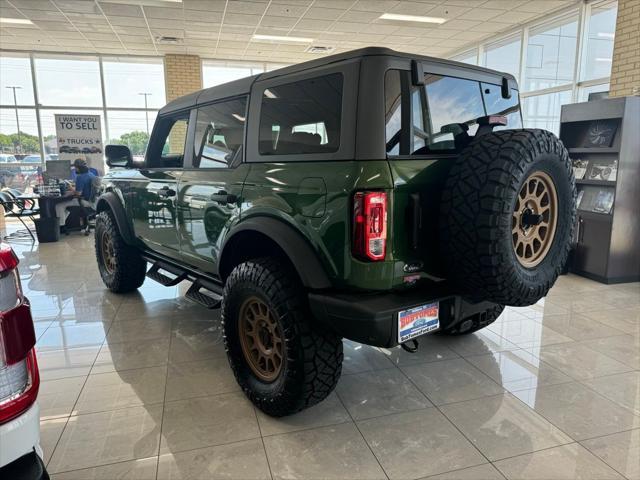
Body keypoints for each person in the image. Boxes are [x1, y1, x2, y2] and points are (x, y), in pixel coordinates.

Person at [54, 159, 98, 231]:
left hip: (85, 202)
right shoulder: (91, 174)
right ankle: (63, 224)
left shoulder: (80, 177)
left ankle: (61, 227)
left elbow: (78, 194)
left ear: (78, 168)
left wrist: (71, 188)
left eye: (75, 168)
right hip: (94, 203)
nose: (75, 169)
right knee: (66, 205)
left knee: (59, 206)